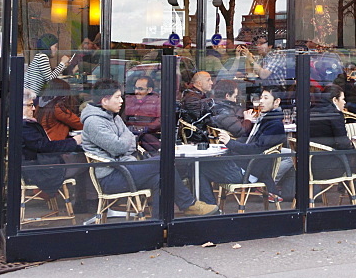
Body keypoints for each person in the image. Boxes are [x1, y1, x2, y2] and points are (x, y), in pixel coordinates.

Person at [81, 80, 219, 217]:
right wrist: (127, 141)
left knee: (161, 178)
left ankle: (157, 222)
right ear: (105, 101)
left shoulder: (113, 116)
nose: (121, 101)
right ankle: (189, 204)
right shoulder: (94, 122)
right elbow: (119, 147)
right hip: (112, 176)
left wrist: (126, 142)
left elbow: (130, 139)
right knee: (163, 161)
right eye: (117, 97)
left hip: (125, 167)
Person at [217, 87, 289, 201]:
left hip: (248, 169)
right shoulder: (266, 119)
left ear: (277, 102)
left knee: (203, 169)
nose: (261, 101)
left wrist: (230, 143)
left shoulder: (274, 124)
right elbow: (250, 141)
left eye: (266, 98)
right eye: (261, 98)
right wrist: (230, 143)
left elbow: (256, 149)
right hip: (245, 164)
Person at [22, 89, 82, 195]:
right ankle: (87, 202)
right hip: (43, 171)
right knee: (88, 162)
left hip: (41, 166)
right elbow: (45, 147)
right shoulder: (25, 126)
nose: (34, 108)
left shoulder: (27, 123)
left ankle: (84, 202)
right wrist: (74, 141)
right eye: (30, 105)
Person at [308, 85, 356, 180]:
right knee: (354, 156)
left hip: (308, 165)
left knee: (354, 155)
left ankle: (351, 187)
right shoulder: (334, 115)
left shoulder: (310, 111)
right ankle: (355, 191)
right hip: (329, 166)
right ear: (335, 100)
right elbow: (342, 142)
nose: (345, 102)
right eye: (343, 99)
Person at [124, 75, 162, 151]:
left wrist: (144, 129)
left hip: (150, 135)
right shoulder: (130, 100)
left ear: (149, 90)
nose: (136, 92)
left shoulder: (157, 101)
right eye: (135, 88)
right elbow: (123, 119)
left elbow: (159, 122)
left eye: (140, 89)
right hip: (129, 134)